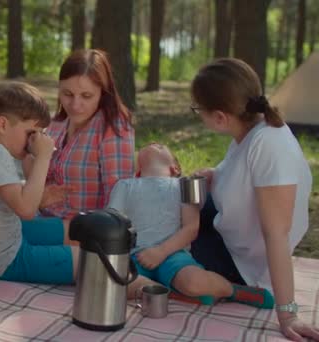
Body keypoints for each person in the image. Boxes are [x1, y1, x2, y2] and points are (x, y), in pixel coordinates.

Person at [189, 58, 319, 341]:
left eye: (198, 109)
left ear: (220, 116)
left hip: (244, 264)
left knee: (161, 241)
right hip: (231, 231)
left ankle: (245, 293)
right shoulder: (252, 130)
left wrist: (288, 314)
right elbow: (244, 181)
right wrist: (214, 175)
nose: (198, 114)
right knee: (171, 205)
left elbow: (277, 234)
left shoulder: (270, 145)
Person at [108, 142, 274, 308]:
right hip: (135, 256)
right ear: (137, 172)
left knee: (194, 282)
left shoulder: (185, 185)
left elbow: (191, 228)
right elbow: (112, 222)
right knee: (112, 282)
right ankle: (172, 294)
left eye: (161, 146)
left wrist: (161, 251)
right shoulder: (124, 185)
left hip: (172, 255)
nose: (153, 144)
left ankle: (233, 291)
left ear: (175, 169)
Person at [0, 81, 79, 285]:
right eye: (31, 133)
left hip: (7, 237)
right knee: (89, 261)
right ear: (3, 125)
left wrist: (41, 198)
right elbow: (26, 211)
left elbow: (18, 198)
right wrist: (44, 157)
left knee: (73, 230)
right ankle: (140, 287)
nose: (34, 142)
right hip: (1, 259)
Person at [24, 49, 135, 220]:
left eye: (86, 96)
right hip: (43, 218)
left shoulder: (113, 127)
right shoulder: (56, 124)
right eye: (67, 94)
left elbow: (118, 203)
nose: (75, 105)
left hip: (83, 233)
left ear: (103, 94)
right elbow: (37, 182)